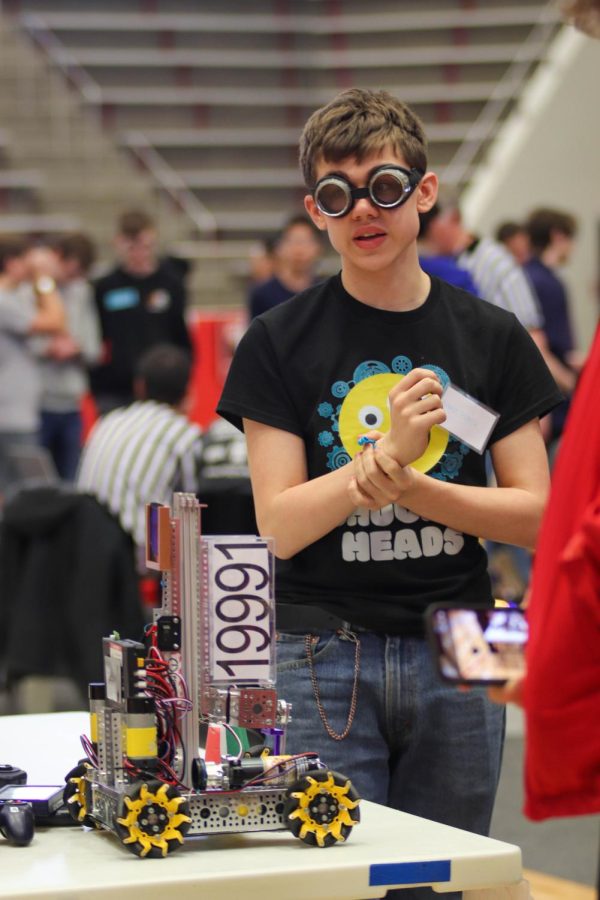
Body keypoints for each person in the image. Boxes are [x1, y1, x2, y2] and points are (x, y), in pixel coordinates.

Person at [217, 88, 561, 900]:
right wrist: (381, 462)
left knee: (455, 876)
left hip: (474, 629)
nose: (363, 211)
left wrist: (402, 481)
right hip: (316, 643)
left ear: (425, 191)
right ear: (315, 211)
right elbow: (280, 526)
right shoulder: (277, 341)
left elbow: (540, 518)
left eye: (384, 187)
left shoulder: (491, 337)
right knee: (334, 883)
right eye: (338, 196)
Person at [77, 344, 203, 563]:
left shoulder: (108, 420)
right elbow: (193, 509)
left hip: (82, 543)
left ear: (140, 386)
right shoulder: (184, 433)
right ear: (188, 391)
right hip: (139, 554)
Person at [90, 210, 192, 414]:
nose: (139, 254)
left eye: (145, 246)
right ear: (118, 243)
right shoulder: (106, 286)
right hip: (116, 390)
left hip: (162, 387)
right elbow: (98, 337)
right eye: (132, 247)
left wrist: (184, 380)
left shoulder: (171, 283)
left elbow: (181, 335)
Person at [0, 235, 66, 497]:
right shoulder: (3, 300)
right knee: (27, 495)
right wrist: (43, 278)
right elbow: (56, 320)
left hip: (16, 411)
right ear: (12, 263)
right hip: (11, 415)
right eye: (27, 262)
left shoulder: (13, 297)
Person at [33, 234, 102, 481]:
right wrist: (48, 348)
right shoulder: (32, 288)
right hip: (37, 403)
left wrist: (76, 348)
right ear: (56, 257)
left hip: (71, 404)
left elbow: (94, 349)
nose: (73, 280)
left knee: (70, 480)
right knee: (36, 482)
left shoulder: (81, 292)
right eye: (70, 272)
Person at [524, 207, 586, 459]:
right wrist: (571, 385)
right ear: (558, 236)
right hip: (553, 394)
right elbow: (541, 346)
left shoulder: (526, 275)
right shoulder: (547, 283)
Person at [247, 214, 323, 319]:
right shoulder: (261, 294)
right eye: (293, 241)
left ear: (317, 247)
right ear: (281, 246)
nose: (299, 250)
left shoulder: (326, 293)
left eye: (305, 242)